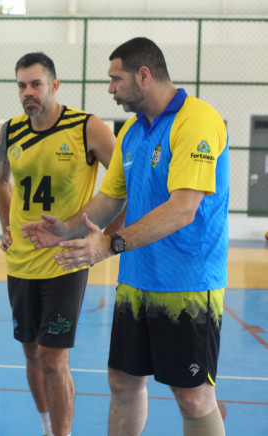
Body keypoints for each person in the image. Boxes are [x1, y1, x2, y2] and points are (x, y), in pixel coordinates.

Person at [22, 37, 229, 436]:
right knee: (123, 380)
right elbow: (110, 198)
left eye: (116, 79)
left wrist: (111, 244)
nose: (110, 89)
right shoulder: (133, 131)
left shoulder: (197, 121)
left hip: (187, 283)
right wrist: (66, 228)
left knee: (192, 396)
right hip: (136, 281)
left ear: (144, 76)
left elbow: (183, 208)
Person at [0, 52, 118, 436]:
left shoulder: (87, 127)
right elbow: (1, 181)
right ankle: (48, 428)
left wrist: (105, 237)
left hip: (65, 260)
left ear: (54, 85)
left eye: (35, 84)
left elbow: (124, 183)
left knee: (53, 358)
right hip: (21, 261)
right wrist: (6, 227)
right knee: (31, 351)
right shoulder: (10, 132)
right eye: (21, 85)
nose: (28, 92)